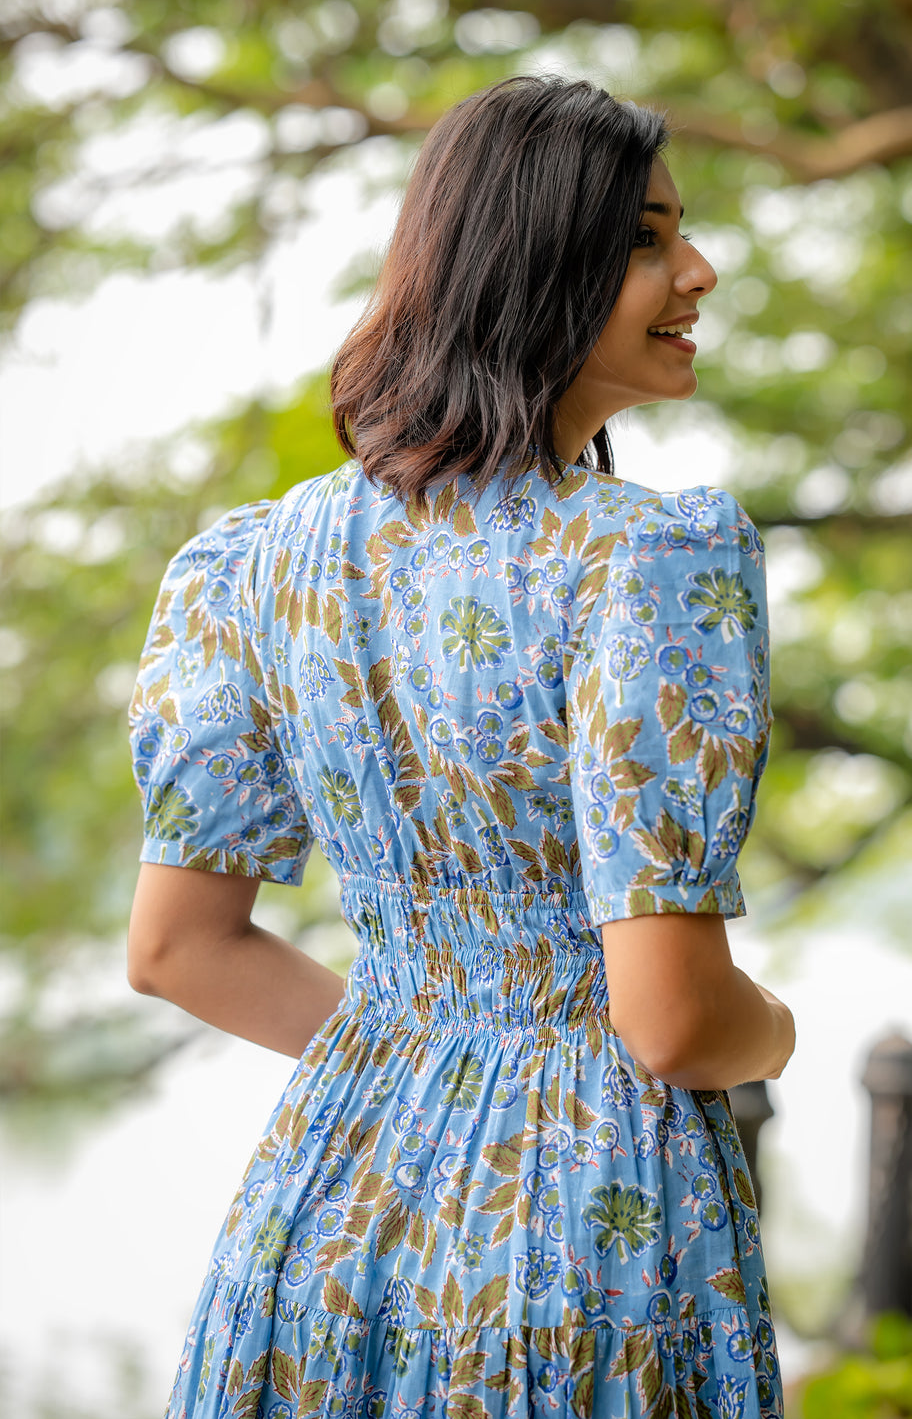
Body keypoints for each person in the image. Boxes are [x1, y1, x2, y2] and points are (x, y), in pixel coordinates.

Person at [128, 75, 796, 1419]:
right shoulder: (651, 557)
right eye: (648, 239)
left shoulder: (253, 569)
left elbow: (177, 949)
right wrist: (774, 1033)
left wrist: (434, 1057)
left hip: (324, 1227)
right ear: (531, 265)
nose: (700, 271)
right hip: (584, 1245)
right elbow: (668, 1024)